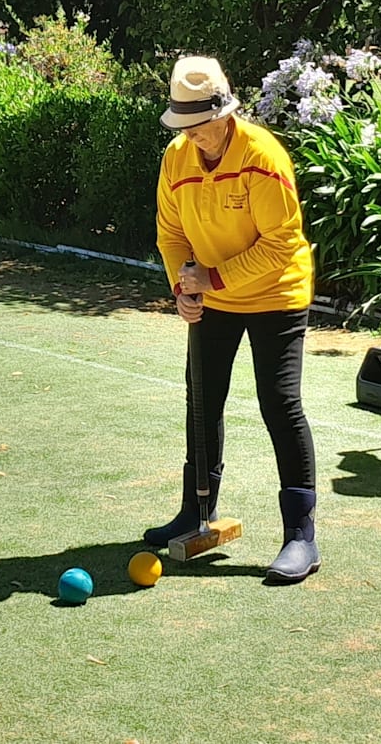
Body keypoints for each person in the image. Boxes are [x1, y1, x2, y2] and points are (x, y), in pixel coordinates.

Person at [144, 56, 321, 583]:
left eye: (199, 124)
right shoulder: (177, 159)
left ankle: (301, 536)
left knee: (279, 401)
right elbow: (172, 236)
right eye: (183, 125)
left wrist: (213, 280)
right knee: (201, 396)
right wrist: (183, 285)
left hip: (276, 294)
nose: (191, 135)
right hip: (213, 298)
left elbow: (281, 245)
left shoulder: (263, 158)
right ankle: (196, 512)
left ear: (224, 113)